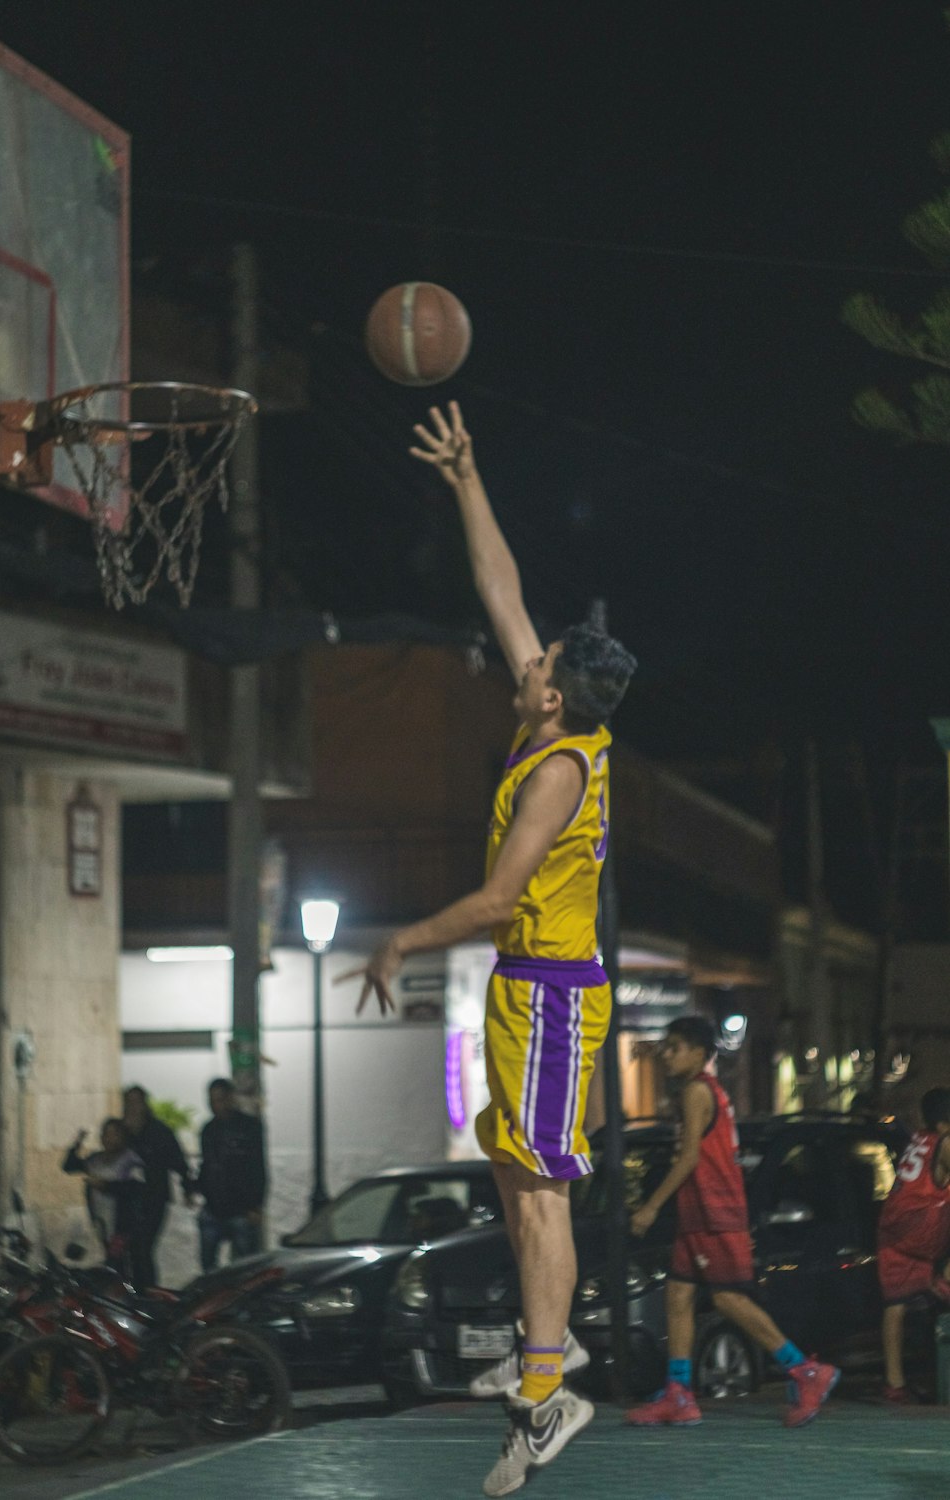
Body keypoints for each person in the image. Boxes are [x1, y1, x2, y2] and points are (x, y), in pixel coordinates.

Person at [344, 402, 636, 1497]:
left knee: (543, 1194)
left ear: (550, 689)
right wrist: (466, 479)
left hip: (554, 995)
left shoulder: (558, 771)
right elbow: (501, 588)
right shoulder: (549, 718)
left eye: (540, 657)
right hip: (528, 992)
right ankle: (543, 1366)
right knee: (516, 1183)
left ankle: (546, 1394)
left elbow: (497, 897)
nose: (527, 647)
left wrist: (403, 939)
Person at [626, 1016, 838, 1429]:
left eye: (675, 1047)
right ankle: (680, 1393)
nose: (667, 1055)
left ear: (700, 1053)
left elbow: (689, 1159)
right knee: (678, 1296)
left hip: (714, 1213)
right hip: (697, 1215)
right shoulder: (706, 1092)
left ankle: (805, 1371)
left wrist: (651, 1206)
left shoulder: (695, 1091)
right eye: (666, 1047)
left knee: (728, 1299)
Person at [877, 1085, 950, 1402]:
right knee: (939, 1286)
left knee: (895, 1305)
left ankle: (895, 1384)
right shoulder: (947, 1144)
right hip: (921, 1235)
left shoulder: (918, 1139)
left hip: (892, 1232)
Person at [122, 1085, 194, 1290]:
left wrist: (187, 1189)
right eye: (129, 1102)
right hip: (127, 1198)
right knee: (129, 1249)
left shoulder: (159, 1131)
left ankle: (148, 1292)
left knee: (143, 1247)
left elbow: (178, 1161)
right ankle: (133, 1291)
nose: (133, 1107)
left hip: (154, 1197)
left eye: (137, 1102)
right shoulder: (123, 1131)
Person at [196, 1077, 267, 1272]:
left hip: (242, 1208)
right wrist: (198, 1188)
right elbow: (207, 1164)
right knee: (208, 1266)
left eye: (219, 1099)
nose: (216, 1105)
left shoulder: (249, 1127)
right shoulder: (208, 1130)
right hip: (213, 1207)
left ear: (230, 1098)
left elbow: (257, 1167)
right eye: (212, 1100)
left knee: (246, 1267)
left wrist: (255, 1204)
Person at [62, 1117, 145, 1280]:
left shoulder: (131, 1160)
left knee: (120, 1265)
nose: (109, 1138)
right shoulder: (96, 1159)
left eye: (114, 1134)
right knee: (109, 1263)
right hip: (102, 1222)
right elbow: (69, 1166)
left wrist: (105, 1186)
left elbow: (136, 1189)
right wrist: (77, 1144)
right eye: (106, 1134)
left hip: (122, 1225)